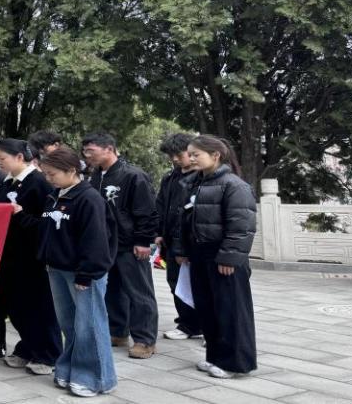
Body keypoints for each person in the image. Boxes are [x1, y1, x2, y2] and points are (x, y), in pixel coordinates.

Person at [0, 138, 61, 377]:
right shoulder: (8, 181)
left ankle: (49, 354)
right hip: (8, 254)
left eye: (2, 158)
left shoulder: (39, 183)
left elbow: (46, 223)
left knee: (38, 308)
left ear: (20, 157)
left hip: (31, 257)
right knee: (17, 307)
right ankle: (28, 347)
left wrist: (19, 215)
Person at [38, 146, 118, 397]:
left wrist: (87, 273)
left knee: (89, 326)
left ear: (72, 170)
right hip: (56, 268)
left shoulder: (89, 198)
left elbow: (96, 239)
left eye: (52, 174)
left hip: (82, 273)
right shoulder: (55, 196)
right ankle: (69, 368)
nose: (48, 179)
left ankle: (96, 378)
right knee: (70, 325)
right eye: (46, 174)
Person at [180, 135, 257, 379]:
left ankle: (235, 363)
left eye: (196, 154)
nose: (191, 158)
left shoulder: (234, 185)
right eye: (190, 154)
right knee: (207, 308)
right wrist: (183, 251)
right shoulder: (196, 183)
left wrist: (229, 258)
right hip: (200, 254)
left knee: (231, 311)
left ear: (216, 156)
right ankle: (214, 356)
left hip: (223, 256)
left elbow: (242, 227)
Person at [82, 133, 159, 359]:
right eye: (84, 151)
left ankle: (145, 340)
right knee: (113, 291)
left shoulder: (133, 175)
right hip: (106, 244)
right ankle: (118, 332)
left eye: (91, 151)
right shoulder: (96, 176)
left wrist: (143, 240)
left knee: (139, 292)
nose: (87, 156)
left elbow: (147, 211)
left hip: (130, 243)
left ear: (109, 149)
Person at [155, 133, 203, 341]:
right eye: (171, 155)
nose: (174, 159)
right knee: (176, 283)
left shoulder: (203, 176)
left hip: (195, 242)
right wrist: (158, 233)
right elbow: (160, 206)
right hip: (171, 241)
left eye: (178, 154)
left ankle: (209, 327)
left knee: (201, 286)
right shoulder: (170, 178)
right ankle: (188, 324)